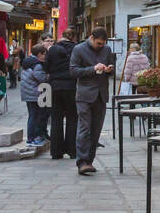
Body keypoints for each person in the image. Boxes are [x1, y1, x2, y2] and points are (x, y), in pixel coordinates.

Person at [70, 27, 116, 175]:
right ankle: (82, 162)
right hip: (84, 95)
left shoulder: (107, 50)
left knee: (96, 130)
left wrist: (110, 69)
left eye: (103, 44)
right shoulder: (78, 49)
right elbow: (73, 71)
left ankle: (89, 161)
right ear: (91, 38)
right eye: (98, 43)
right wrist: (92, 68)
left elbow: (112, 68)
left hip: (101, 95)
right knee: (84, 128)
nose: (101, 46)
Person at [44, 29, 77, 160]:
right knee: (72, 118)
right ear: (73, 37)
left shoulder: (52, 50)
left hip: (55, 87)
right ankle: (72, 150)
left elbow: (46, 67)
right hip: (72, 86)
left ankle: (56, 151)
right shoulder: (76, 48)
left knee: (56, 118)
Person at [20, 44, 50, 146]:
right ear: (39, 54)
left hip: (28, 93)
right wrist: (47, 76)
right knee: (35, 116)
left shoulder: (27, 62)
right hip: (34, 93)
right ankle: (32, 138)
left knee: (32, 115)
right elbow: (42, 79)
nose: (45, 56)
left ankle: (30, 138)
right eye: (44, 54)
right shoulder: (37, 65)